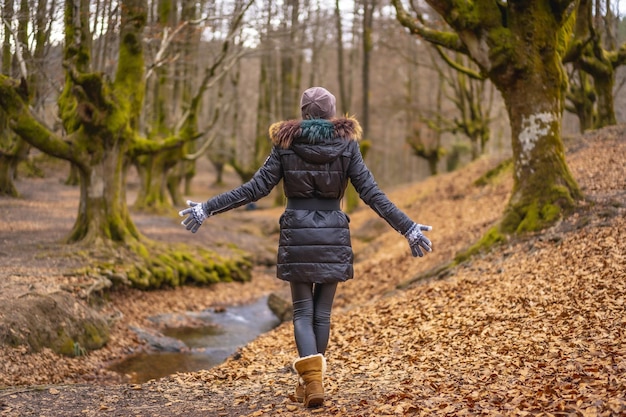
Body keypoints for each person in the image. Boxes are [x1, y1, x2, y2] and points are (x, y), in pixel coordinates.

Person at [179, 86, 432, 408]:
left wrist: (207, 208)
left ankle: (312, 383)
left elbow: (255, 189)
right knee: (321, 313)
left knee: (302, 311)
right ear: (331, 113)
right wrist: (407, 227)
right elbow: (372, 194)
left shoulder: (285, 144)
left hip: (297, 231)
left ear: (303, 113)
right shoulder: (347, 145)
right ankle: (314, 383)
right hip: (332, 233)